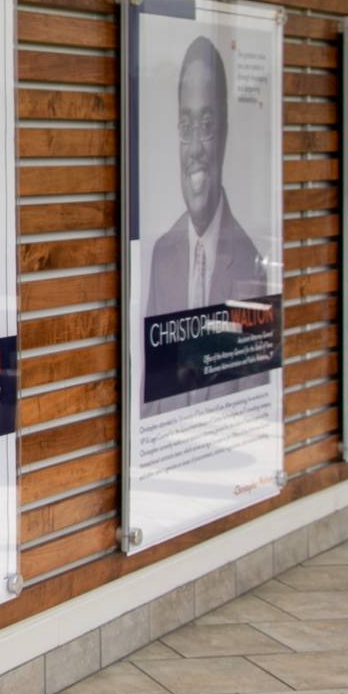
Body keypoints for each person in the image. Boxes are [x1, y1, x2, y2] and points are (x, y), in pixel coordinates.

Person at [141, 35, 268, 414]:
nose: (195, 147)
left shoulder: (251, 266)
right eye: (186, 125)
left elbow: (254, 404)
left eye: (207, 125)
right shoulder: (163, 254)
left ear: (226, 134)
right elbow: (151, 397)